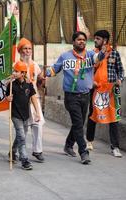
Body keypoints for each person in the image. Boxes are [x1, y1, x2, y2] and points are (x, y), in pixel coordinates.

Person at [46, 31, 105, 164]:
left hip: (85, 96)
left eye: (84, 40)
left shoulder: (90, 55)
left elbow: (98, 58)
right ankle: (84, 152)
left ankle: (68, 145)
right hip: (71, 97)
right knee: (78, 124)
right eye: (79, 40)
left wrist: (103, 50)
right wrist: (43, 73)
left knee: (78, 124)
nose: (82, 42)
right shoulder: (65, 56)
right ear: (73, 42)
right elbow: (54, 69)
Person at [86, 30, 124, 157]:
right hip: (96, 89)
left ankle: (115, 147)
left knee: (114, 118)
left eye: (98, 38)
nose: (95, 40)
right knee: (93, 115)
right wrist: (91, 82)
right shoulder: (92, 54)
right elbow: (87, 71)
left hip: (112, 90)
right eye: (95, 38)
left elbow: (121, 70)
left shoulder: (114, 54)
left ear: (105, 41)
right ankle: (89, 141)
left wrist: (120, 79)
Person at [6, 61, 40, 170]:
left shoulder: (29, 84)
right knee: (22, 137)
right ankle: (24, 160)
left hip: (26, 115)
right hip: (15, 115)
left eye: (17, 71)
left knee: (21, 136)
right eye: (14, 71)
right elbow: (7, 97)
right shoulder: (11, 84)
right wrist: (8, 98)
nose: (14, 73)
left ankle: (13, 151)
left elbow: (33, 98)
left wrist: (37, 113)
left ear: (23, 73)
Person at [17, 38, 45, 162]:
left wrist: (42, 80)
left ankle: (37, 151)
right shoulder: (15, 65)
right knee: (22, 128)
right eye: (25, 49)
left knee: (38, 123)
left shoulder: (35, 65)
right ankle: (14, 151)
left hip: (34, 98)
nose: (27, 51)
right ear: (20, 51)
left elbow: (39, 79)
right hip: (20, 100)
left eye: (29, 49)